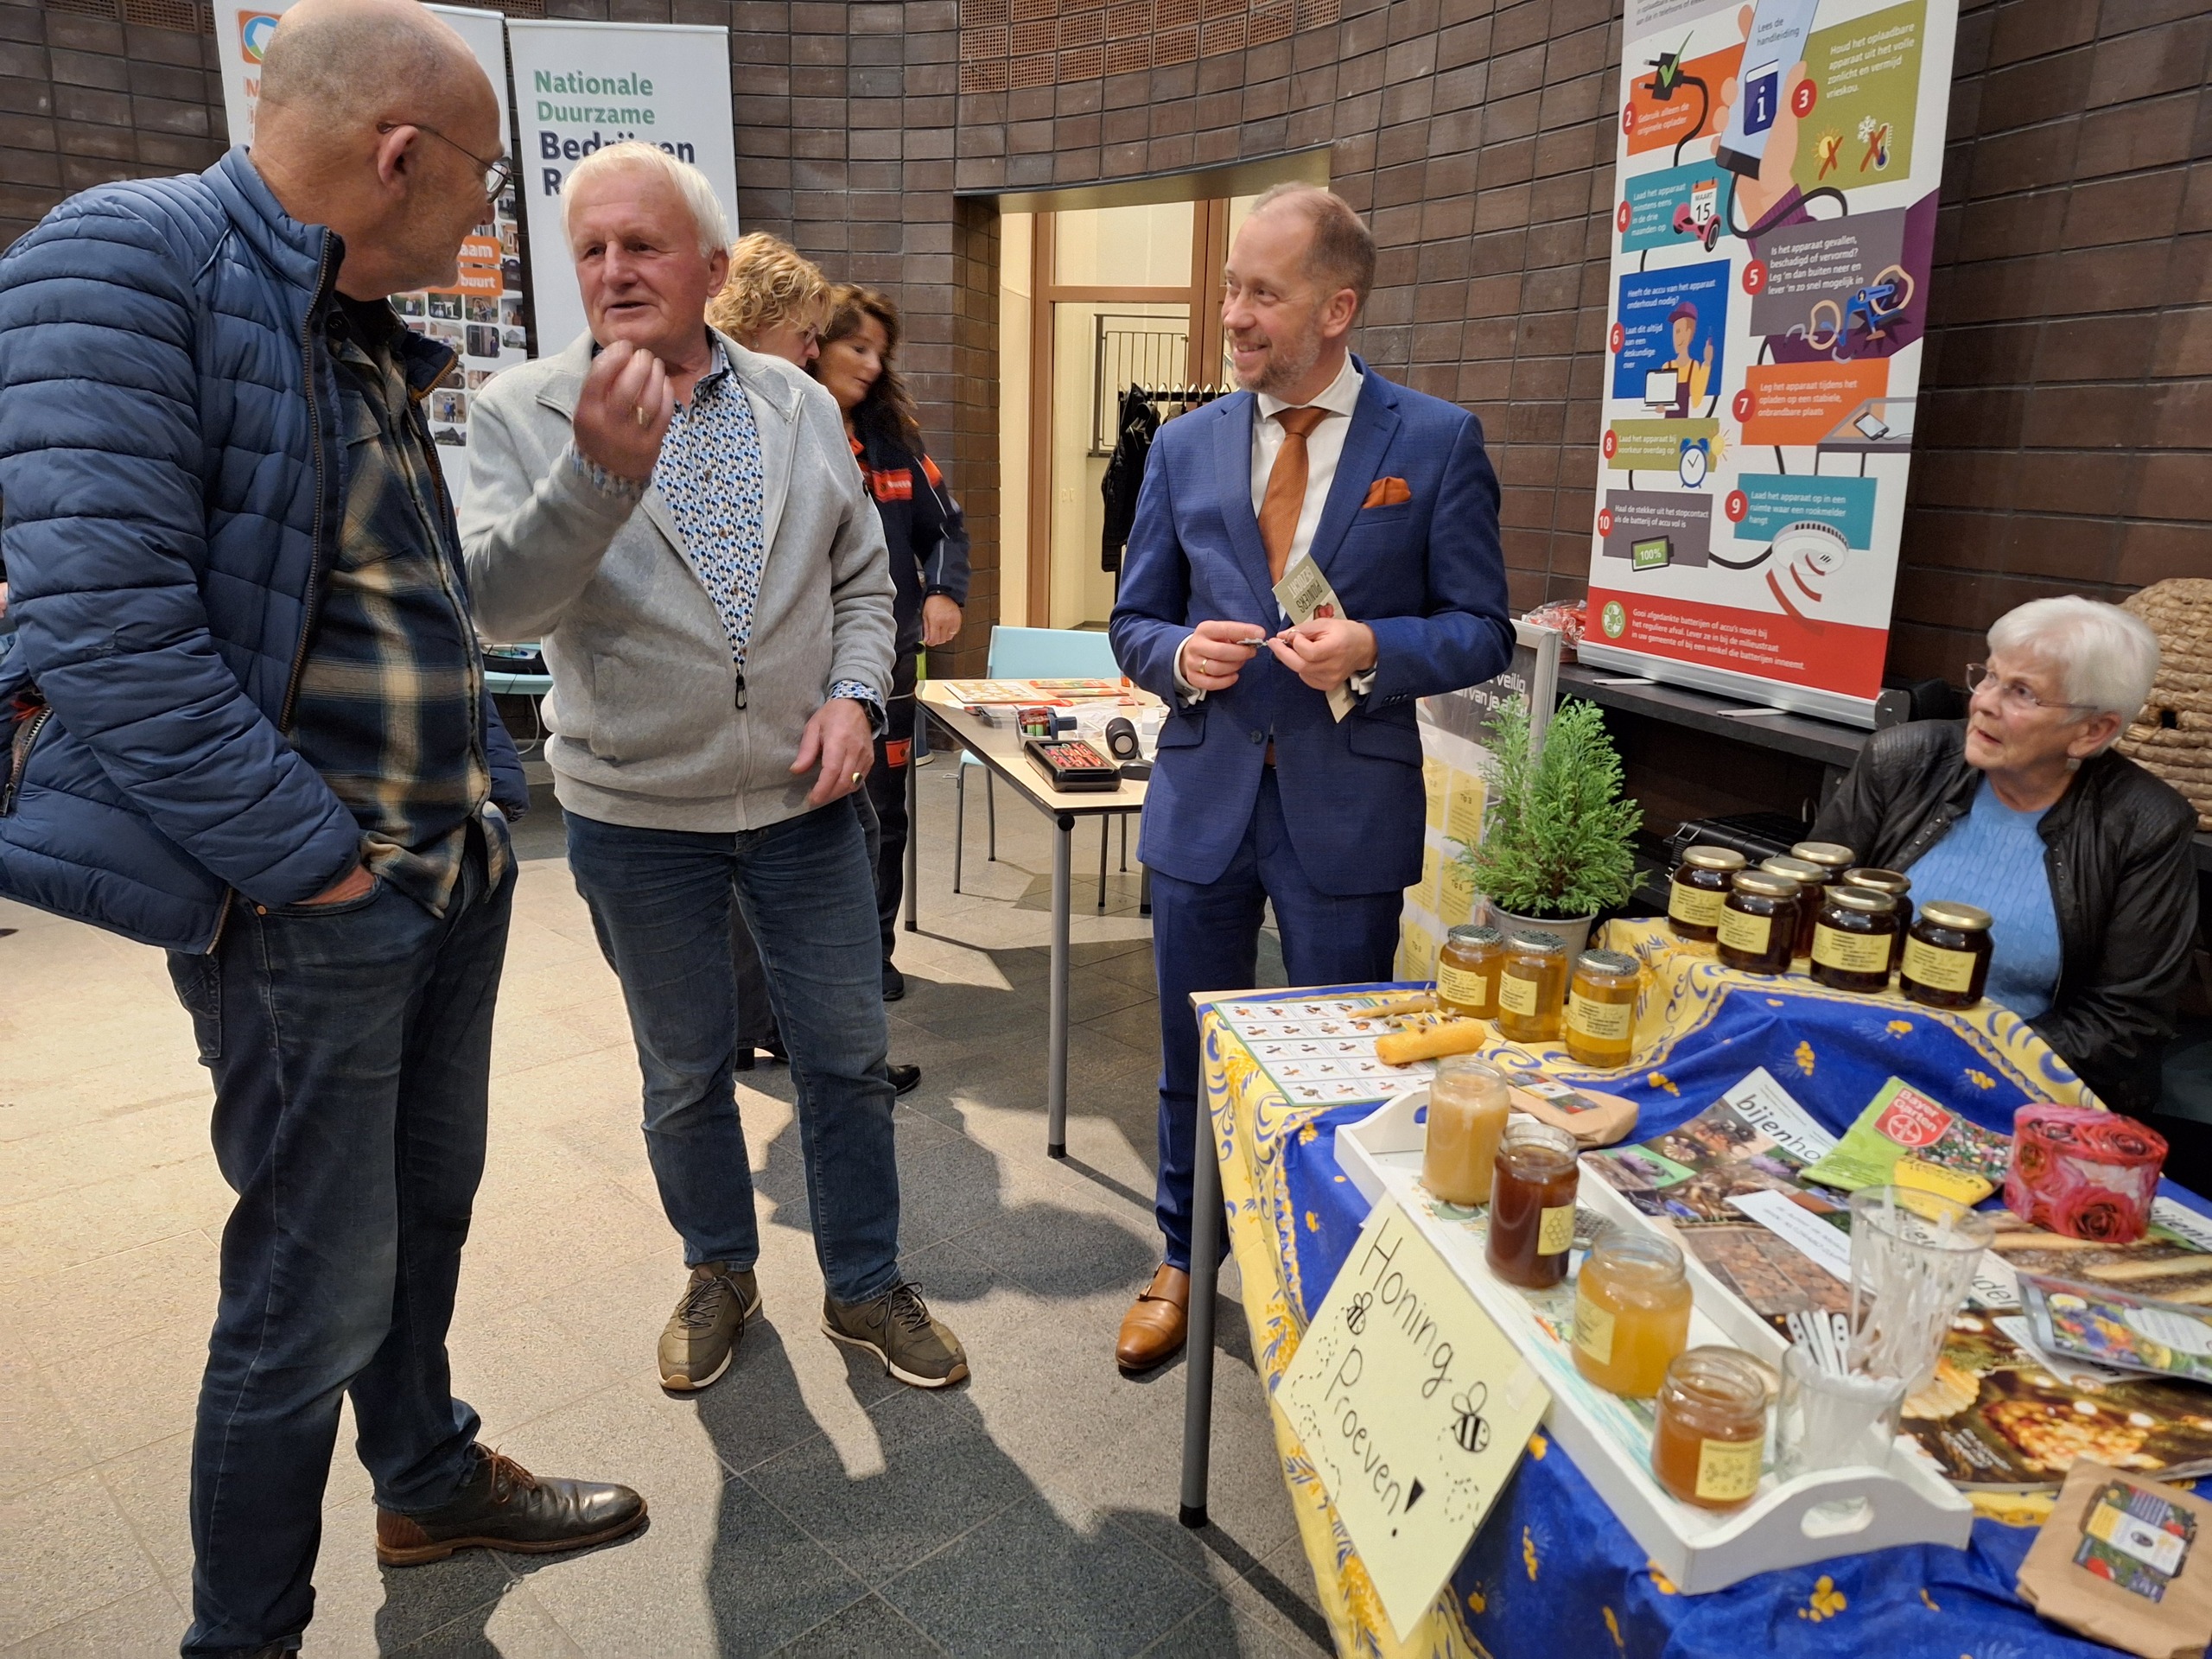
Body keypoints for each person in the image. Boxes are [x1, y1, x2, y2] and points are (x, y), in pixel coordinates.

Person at [0, 3, 647, 1653]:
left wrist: (586, 486)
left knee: (419, 1225)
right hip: (311, 908)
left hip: (444, 877)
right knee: (301, 1300)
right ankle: (248, 1637)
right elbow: (105, 629)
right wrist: (314, 862)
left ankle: (424, 1475)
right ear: (397, 155)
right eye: (485, 180)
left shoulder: (355, 325)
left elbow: (434, 605)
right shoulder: (121, 258)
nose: (489, 217)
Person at [461, 142, 969, 1395]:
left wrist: (859, 695)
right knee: (683, 1071)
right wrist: (595, 477)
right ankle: (718, 1269)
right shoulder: (523, 410)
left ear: (710, 266)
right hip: (638, 815)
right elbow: (498, 607)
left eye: (642, 244)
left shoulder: (800, 403)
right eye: (591, 249)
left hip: (808, 805)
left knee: (844, 1058)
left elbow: (863, 578)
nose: (616, 269)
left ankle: (862, 1285)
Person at [1107, 184, 1513, 1373]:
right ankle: (1184, 1256)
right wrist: (1179, 655)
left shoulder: (1436, 442)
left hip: (1348, 805)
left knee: (1340, 1065)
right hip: (1204, 799)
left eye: (1260, 292)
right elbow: (1133, 622)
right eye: (1230, 286)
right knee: (1189, 1050)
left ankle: (1322, 1274)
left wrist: (1377, 647)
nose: (1232, 313)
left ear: (1337, 307)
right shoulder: (1181, 447)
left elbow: (1482, 627)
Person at [1814, 596, 2199, 1117]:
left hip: (2013, 1089)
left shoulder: (2145, 823)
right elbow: (1815, 905)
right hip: (1848, 1049)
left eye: (2021, 692)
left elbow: (2123, 1022)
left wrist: (1955, 1065)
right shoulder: (1903, 760)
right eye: (1989, 677)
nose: (1984, 704)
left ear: (2093, 731)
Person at [707, 241, 922, 1088]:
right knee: (833, 861)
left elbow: (861, 575)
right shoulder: (741, 424)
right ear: (757, 322)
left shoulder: (801, 418)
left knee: (772, 875)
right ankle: (819, 1048)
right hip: (774, 716)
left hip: (805, 705)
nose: (813, 350)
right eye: (804, 334)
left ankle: (768, 1033)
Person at [811, 283, 970, 1000]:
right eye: (858, 346)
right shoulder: (786, 431)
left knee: (884, 811)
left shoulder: (895, 444)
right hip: (797, 669)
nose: (872, 364)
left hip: (888, 666)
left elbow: (948, 527)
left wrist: (943, 591)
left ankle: (872, 955)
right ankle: (795, 980)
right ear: (815, 344)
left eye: (882, 351)